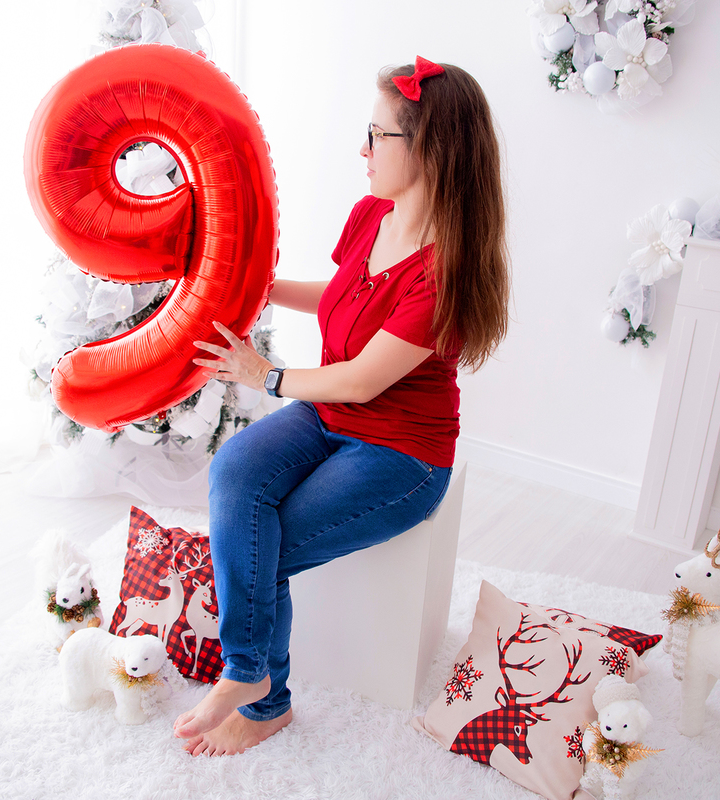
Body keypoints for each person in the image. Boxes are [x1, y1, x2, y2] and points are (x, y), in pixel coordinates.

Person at [173, 56, 510, 756]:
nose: (363, 150)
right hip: (330, 420)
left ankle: (259, 692)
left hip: (401, 452)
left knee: (264, 548)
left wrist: (265, 375)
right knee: (235, 471)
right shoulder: (371, 214)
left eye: (377, 135)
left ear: (429, 150)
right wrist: (256, 287)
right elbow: (337, 294)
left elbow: (359, 379)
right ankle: (253, 676)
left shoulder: (444, 268)